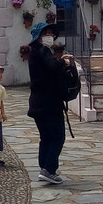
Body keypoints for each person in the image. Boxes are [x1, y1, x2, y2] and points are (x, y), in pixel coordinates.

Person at [27, 22, 76, 184]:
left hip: (37, 103)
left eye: (51, 33)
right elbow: (52, 66)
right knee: (57, 137)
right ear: (39, 36)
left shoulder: (34, 53)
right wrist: (64, 62)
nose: (49, 36)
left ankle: (44, 168)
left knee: (46, 137)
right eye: (46, 33)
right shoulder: (43, 51)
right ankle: (49, 169)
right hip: (49, 103)